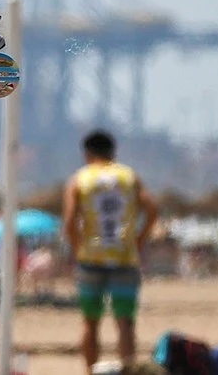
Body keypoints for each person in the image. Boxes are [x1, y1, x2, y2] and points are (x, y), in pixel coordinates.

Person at [62, 130, 158, 375]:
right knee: (125, 322)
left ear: (87, 153)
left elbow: (70, 220)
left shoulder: (80, 178)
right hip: (124, 256)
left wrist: (76, 248)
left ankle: (90, 370)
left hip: (90, 256)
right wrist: (139, 237)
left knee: (90, 322)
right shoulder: (128, 176)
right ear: (112, 152)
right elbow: (152, 209)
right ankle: (128, 370)